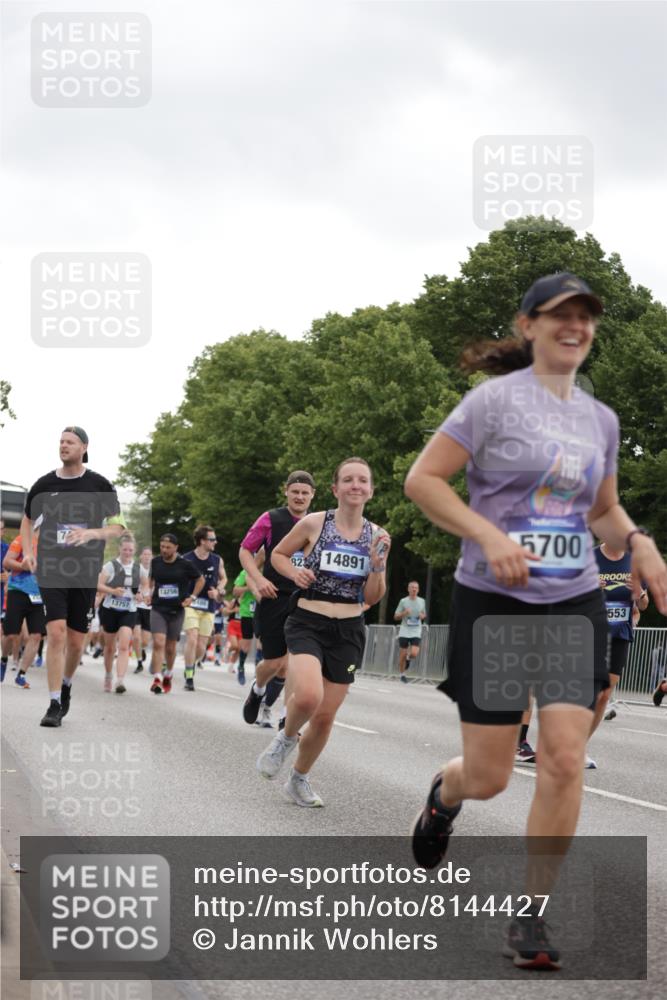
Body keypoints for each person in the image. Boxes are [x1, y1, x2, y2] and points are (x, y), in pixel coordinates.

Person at [404, 273, 667, 970]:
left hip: (571, 600)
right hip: (492, 600)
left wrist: (637, 541)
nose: (575, 325)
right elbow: (423, 480)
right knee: (489, 776)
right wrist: (488, 536)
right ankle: (444, 794)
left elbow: (602, 509)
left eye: (585, 316)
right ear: (528, 326)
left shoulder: (599, 419)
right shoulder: (490, 404)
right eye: (560, 315)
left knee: (559, 757)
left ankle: (530, 915)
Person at [256, 458, 391, 807]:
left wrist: (377, 566)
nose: (355, 485)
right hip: (307, 621)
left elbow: (374, 597)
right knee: (307, 697)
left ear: (371, 490)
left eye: (363, 480)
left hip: (348, 629)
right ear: (335, 489)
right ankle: (285, 739)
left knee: (326, 716)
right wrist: (295, 574)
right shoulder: (316, 523)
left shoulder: (378, 536)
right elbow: (278, 556)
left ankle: (298, 779)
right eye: (348, 480)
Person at [21, 427, 126, 727]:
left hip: (85, 571)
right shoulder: (44, 484)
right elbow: (28, 521)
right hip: (52, 568)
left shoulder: (100, 485)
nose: (63, 446)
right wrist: (29, 551)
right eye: (61, 442)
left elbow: (118, 528)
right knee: (55, 633)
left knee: (77, 643)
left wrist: (92, 532)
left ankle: (66, 685)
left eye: (70, 442)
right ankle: (54, 703)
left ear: (84, 447)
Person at [239, 471, 316, 723]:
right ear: (286, 491)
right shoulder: (271, 519)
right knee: (273, 663)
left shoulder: (320, 523)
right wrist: (258, 579)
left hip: (305, 599)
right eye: (295, 491)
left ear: (312, 495)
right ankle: (258, 688)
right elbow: (246, 550)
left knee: (295, 662)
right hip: (275, 597)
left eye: (305, 493)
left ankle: (287, 717)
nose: (300, 497)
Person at [595, 540, 649, 722]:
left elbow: (643, 605)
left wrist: (639, 592)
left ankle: (580, 745)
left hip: (620, 635)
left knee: (604, 696)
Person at [145, 533, 204, 693]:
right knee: (158, 642)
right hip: (158, 608)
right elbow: (150, 579)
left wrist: (192, 597)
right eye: (162, 546)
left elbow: (200, 580)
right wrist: (148, 592)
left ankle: (168, 675)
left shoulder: (185, 564)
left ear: (176, 548)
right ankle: (157, 679)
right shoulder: (155, 562)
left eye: (168, 547)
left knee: (170, 647)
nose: (164, 550)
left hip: (177, 610)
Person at [182, 526, 227, 691]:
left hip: (208, 607)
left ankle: (190, 664)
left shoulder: (217, 560)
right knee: (192, 638)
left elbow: (224, 579)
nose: (215, 542)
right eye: (212, 539)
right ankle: (188, 677)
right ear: (202, 541)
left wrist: (218, 590)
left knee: (201, 646)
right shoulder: (186, 559)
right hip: (190, 605)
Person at [1, 532, 46, 687]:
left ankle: (21, 674)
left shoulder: (55, 545)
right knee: (10, 634)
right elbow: (6, 562)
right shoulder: (23, 539)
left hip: (40, 596)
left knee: (36, 635)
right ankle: (4, 659)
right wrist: (22, 566)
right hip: (18, 591)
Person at [97, 535, 141, 694]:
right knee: (109, 647)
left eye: (130, 550)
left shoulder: (138, 568)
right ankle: (108, 675)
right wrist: (113, 591)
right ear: (119, 549)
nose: (127, 552)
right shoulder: (110, 566)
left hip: (129, 610)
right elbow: (98, 585)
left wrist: (141, 595)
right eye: (125, 549)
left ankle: (120, 680)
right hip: (110, 609)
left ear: (134, 550)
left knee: (123, 645)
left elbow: (145, 588)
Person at [394, 581, 426, 682]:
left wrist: (422, 616)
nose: (414, 589)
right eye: (412, 587)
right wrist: (404, 613)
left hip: (416, 630)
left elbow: (424, 614)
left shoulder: (422, 601)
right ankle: (402, 675)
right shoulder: (403, 601)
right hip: (404, 630)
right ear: (408, 589)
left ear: (418, 590)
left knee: (414, 653)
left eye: (416, 588)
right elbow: (395, 617)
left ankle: (408, 658)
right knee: (402, 654)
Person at [133, 547, 153, 672]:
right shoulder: (136, 569)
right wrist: (137, 592)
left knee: (145, 641)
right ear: (141, 556)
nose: (146, 557)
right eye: (144, 554)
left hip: (149, 608)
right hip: (136, 606)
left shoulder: (155, 570)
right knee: (136, 637)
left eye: (149, 555)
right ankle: (139, 662)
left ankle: (143, 650)